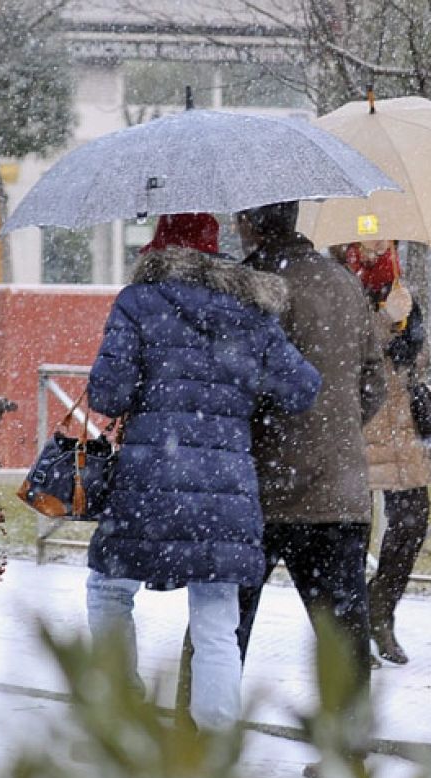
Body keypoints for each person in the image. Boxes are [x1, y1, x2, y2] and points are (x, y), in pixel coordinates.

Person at [85, 213, 320, 732]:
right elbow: (302, 388)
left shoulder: (138, 303)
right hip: (226, 491)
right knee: (216, 618)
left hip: (147, 485)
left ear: (158, 247)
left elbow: (107, 395)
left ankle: (119, 708)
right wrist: (239, 390)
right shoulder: (250, 310)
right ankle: (215, 738)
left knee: (109, 590)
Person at [227, 201, 387, 727]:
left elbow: (240, 384)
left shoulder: (253, 285)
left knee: (222, 625)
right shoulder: (343, 281)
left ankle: (201, 739)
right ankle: (351, 748)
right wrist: (335, 430)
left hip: (261, 490)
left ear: (250, 223)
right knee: (344, 630)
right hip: (338, 486)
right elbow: (373, 380)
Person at [337, 240, 431, 666]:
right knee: (350, 536)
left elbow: (416, 358)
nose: (377, 245)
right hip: (352, 423)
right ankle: (349, 632)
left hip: (399, 425)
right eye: (368, 237)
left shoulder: (398, 284)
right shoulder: (336, 285)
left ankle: (381, 610)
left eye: (385, 238)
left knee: (412, 520)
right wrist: (382, 320)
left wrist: (408, 323)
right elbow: (337, 350)